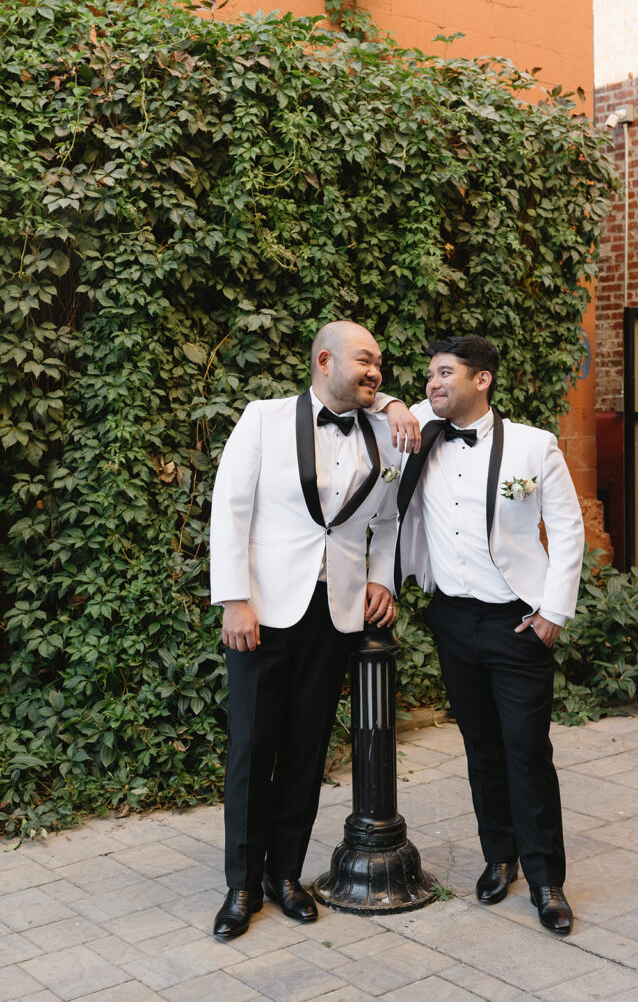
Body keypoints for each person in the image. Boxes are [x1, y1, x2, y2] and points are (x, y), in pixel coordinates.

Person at [209, 320, 419, 939]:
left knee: (306, 748)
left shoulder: (383, 430)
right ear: (324, 360)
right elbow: (231, 507)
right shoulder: (264, 418)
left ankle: (285, 876)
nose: (375, 370)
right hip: (264, 613)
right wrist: (233, 599)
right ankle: (241, 886)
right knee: (251, 749)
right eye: (364, 360)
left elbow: (391, 517)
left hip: (337, 616)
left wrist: (382, 578)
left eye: (379, 362)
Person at [395, 334, 584, 935]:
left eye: (445, 373)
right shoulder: (422, 428)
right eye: (428, 376)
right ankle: (498, 857)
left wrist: (553, 610)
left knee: (528, 750)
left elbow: (569, 529)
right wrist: (404, 406)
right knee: (480, 745)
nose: (432, 384)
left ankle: (547, 879)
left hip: (516, 622)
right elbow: (378, 409)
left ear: (483, 380)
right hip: (453, 619)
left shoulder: (535, 446)